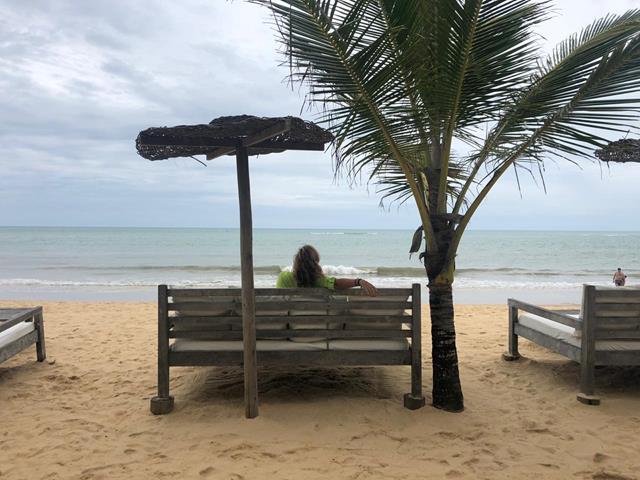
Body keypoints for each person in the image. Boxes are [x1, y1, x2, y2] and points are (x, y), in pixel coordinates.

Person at [276, 245, 378, 296]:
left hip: (292, 333)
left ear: (296, 262)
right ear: (314, 263)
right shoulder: (319, 280)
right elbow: (338, 283)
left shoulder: (283, 277)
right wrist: (358, 281)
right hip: (322, 334)